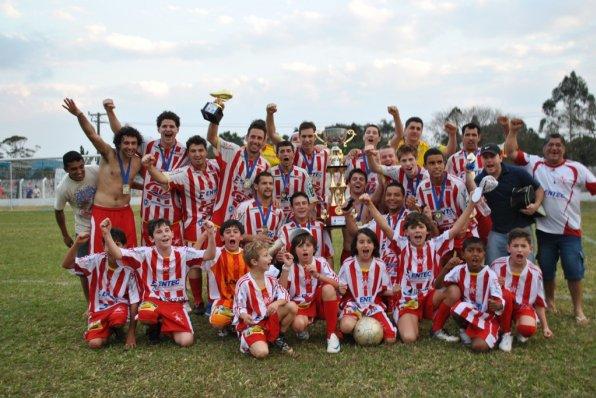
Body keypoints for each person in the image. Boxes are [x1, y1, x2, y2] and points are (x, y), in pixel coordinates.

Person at [504, 121, 595, 324]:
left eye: (558, 145)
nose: (554, 148)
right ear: (544, 148)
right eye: (551, 145)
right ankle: (551, 302)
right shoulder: (535, 163)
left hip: (570, 231)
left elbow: (593, 186)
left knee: (573, 270)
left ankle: (578, 309)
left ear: (564, 149)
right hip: (544, 231)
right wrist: (513, 132)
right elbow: (511, 152)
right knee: (546, 269)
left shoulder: (576, 168)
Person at [363, 193, 476, 343]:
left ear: (427, 231)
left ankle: (436, 329)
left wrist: (471, 205)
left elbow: (455, 229)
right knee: (410, 338)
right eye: (413, 228)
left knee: (453, 291)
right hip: (406, 300)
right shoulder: (402, 245)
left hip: (428, 296)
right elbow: (385, 227)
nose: (417, 231)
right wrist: (370, 204)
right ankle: (403, 318)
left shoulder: (435, 245)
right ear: (406, 232)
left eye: (421, 227)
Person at [102, 217, 216, 347]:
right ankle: (154, 327)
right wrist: (106, 233)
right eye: (159, 232)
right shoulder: (144, 253)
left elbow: (209, 255)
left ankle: (165, 326)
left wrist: (211, 234)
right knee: (145, 314)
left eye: (167, 230)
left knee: (186, 341)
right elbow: (118, 254)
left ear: (172, 234)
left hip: (176, 303)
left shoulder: (183, 253)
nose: (164, 234)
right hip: (153, 300)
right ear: (151, 238)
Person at [142, 135, 219, 315]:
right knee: (194, 264)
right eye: (193, 151)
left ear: (205, 152)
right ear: (188, 153)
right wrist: (149, 166)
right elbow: (162, 178)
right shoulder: (184, 173)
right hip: (194, 225)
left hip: (216, 224)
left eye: (200, 150)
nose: (197, 154)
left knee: (214, 262)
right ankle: (199, 301)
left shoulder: (215, 167)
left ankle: (213, 300)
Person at [104, 99, 188, 247]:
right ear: (158, 129)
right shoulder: (148, 144)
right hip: (150, 214)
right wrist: (110, 111)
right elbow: (122, 133)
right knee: (149, 258)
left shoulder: (185, 152)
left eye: (172, 126)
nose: (168, 129)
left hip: (173, 216)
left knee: (174, 258)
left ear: (177, 129)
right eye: (164, 126)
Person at [62, 98, 142, 253]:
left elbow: (129, 182)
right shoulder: (108, 154)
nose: (130, 146)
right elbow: (92, 134)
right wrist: (79, 114)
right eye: (126, 143)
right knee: (100, 252)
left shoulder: (138, 162)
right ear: (119, 143)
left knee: (130, 251)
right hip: (103, 211)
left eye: (134, 143)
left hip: (125, 211)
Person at [61, 231, 139, 349]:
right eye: (108, 244)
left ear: (124, 247)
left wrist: (131, 333)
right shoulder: (95, 260)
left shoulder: (129, 268)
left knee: (118, 319)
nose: (113, 248)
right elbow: (66, 264)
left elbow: (134, 301)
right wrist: (76, 243)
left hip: (119, 307)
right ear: (103, 246)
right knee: (94, 344)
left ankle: (117, 327)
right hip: (98, 310)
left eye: (117, 244)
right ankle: (108, 330)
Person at [473, 142, 543, 264]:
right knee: (494, 268)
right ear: (481, 160)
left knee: (526, 268)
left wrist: (536, 205)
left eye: (492, 156)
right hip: (496, 231)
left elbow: (539, 189)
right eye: (485, 157)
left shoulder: (517, 172)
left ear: (500, 157)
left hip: (521, 229)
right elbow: (473, 197)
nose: (489, 160)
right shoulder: (479, 180)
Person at [491, 228, 553, 352]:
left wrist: (546, 326)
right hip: (501, 307)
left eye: (523, 246)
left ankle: (518, 326)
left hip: (522, 307)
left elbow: (539, 302)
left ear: (530, 249)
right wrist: (495, 285)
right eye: (515, 246)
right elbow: (487, 291)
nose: (519, 249)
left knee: (527, 329)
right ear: (508, 248)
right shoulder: (496, 265)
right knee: (507, 295)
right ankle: (506, 334)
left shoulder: (535, 272)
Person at [233, 241, 298, 358]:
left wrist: (277, 303)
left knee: (292, 306)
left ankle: (278, 336)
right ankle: (247, 339)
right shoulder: (243, 283)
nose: (270, 257)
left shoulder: (271, 279)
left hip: (268, 319)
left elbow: (285, 295)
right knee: (262, 353)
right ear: (254, 262)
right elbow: (238, 306)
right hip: (253, 324)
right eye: (266, 255)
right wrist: (244, 316)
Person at [279, 230, 341, 353]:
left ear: (314, 248)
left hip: (319, 302)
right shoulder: (291, 266)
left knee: (328, 288)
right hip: (301, 305)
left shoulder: (321, 262)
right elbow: (281, 290)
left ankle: (331, 335)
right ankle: (302, 329)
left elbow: (337, 285)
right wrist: (286, 267)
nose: (304, 249)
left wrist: (318, 275)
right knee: (298, 325)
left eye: (308, 245)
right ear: (294, 251)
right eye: (300, 246)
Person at [207, 106, 270, 226]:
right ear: (246, 137)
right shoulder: (233, 151)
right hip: (221, 217)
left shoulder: (265, 166)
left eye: (259, 138)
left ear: (264, 142)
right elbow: (211, 137)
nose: (255, 141)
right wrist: (216, 114)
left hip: (245, 221)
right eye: (252, 137)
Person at [440, 238, 505, 352]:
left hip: (486, 318)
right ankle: (464, 330)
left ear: (484, 254)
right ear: (463, 254)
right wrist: (446, 267)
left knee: (478, 347)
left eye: (479, 251)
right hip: (469, 314)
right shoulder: (458, 270)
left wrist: (498, 305)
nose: (475, 254)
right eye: (470, 250)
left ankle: (495, 333)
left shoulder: (491, 275)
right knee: (457, 309)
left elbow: (499, 300)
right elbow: (438, 285)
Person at [337, 228, 397, 344]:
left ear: (374, 246)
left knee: (390, 339)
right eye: (361, 242)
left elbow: (384, 290)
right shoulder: (348, 264)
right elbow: (341, 290)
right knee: (346, 326)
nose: (365, 245)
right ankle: (355, 329)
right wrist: (340, 289)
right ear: (355, 246)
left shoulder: (380, 265)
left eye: (369, 242)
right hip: (354, 304)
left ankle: (371, 325)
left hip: (373, 305)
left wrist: (393, 291)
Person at [54, 150, 99, 303]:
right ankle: (90, 304)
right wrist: (65, 235)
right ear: (66, 169)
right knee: (83, 269)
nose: (79, 171)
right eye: (74, 169)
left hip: (102, 226)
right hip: (83, 229)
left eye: (81, 167)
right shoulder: (63, 187)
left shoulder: (94, 170)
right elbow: (58, 211)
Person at [417, 148, 477, 252]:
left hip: (461, 232)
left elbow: (470, 210)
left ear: (444, 164)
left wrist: (464, 226)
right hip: (437, 235)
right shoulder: (421, 188)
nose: (436, 166)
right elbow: (421, 214)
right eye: (432, 163)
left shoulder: (457, 184)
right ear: (425, 166)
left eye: (439, 162)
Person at [387, 106, 457, 167]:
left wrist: (452, 134)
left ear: (421, 132)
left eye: (418, 129)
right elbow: (398, 134)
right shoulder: (396, 144)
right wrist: (396, 116)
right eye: (412, 128)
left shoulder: (427, 147)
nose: (415, 131)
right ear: (405, 130)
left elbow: (449, 151)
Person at [278, 192, 334, 266]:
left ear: (308, 206)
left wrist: (330, 276)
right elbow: (280, 256)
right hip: (295, 275)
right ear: (291, 208)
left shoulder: (320, 227)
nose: (301, 206)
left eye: (304, 203)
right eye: (297, 204)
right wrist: (279, 257)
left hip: (318, 274)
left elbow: (329, 256)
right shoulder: (284, 229)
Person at [366, 144, 429, 209]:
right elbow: (375, 168)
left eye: (411, 159)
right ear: (399, 162)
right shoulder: (397, 171)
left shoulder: (426, 176)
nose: (408, 164)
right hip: (405, 213)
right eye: (404, 160)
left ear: (416, 159)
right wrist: (369, 155)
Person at [270, 140, 316, 220]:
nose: (285, 154)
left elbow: (312, 198)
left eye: (288, 151)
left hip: (296, 217)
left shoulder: (302, 173)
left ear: (293, 154)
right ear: (277, 155)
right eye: (282, 151)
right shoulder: (270, 173)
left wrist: (307, 214)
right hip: (275, 216)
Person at [234, 171, 285, 243]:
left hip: (269, 254)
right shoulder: (243, 207)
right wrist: (253, 238)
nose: (268, 186)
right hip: (247, 253)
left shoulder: (279, 211)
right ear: (256, 186)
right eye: (264, 183)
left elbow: (279, 238)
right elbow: (233, 233)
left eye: (270, 184)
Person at [344, 124, 383, 194]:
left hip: (378, 198)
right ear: (363, 137)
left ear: (379, 138)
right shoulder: (354, 156)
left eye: (374, 133)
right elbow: (345, 179)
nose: (371, 135)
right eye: (368, 132)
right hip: (357, 199)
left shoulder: (383, 156)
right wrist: (346, 157)